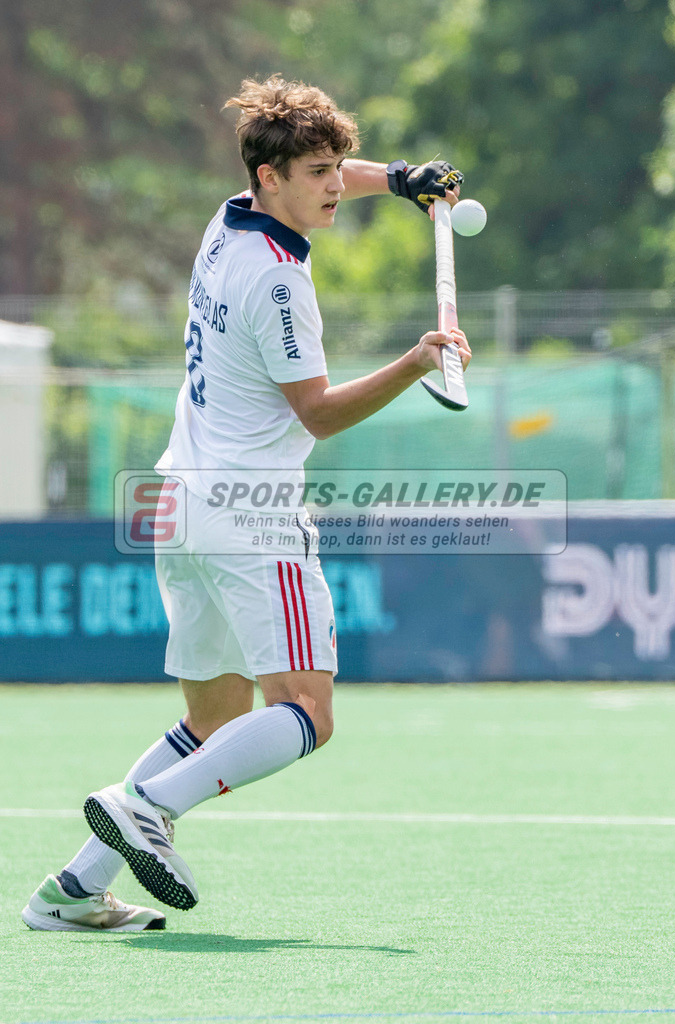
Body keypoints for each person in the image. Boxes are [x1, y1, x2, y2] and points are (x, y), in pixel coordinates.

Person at [22, 75, 470, 929]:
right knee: (306, 710)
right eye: (316, 172)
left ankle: (71, 892)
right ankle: (147, 811)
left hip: (179, 503)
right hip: (251, 514)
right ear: (271, 177)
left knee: (214, 713)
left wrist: (403, 178)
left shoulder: (227, 220)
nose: (336, 184)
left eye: (339, 165)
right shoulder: (277, 282)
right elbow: (319, 412)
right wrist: (417, 362)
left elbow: (335, 173)